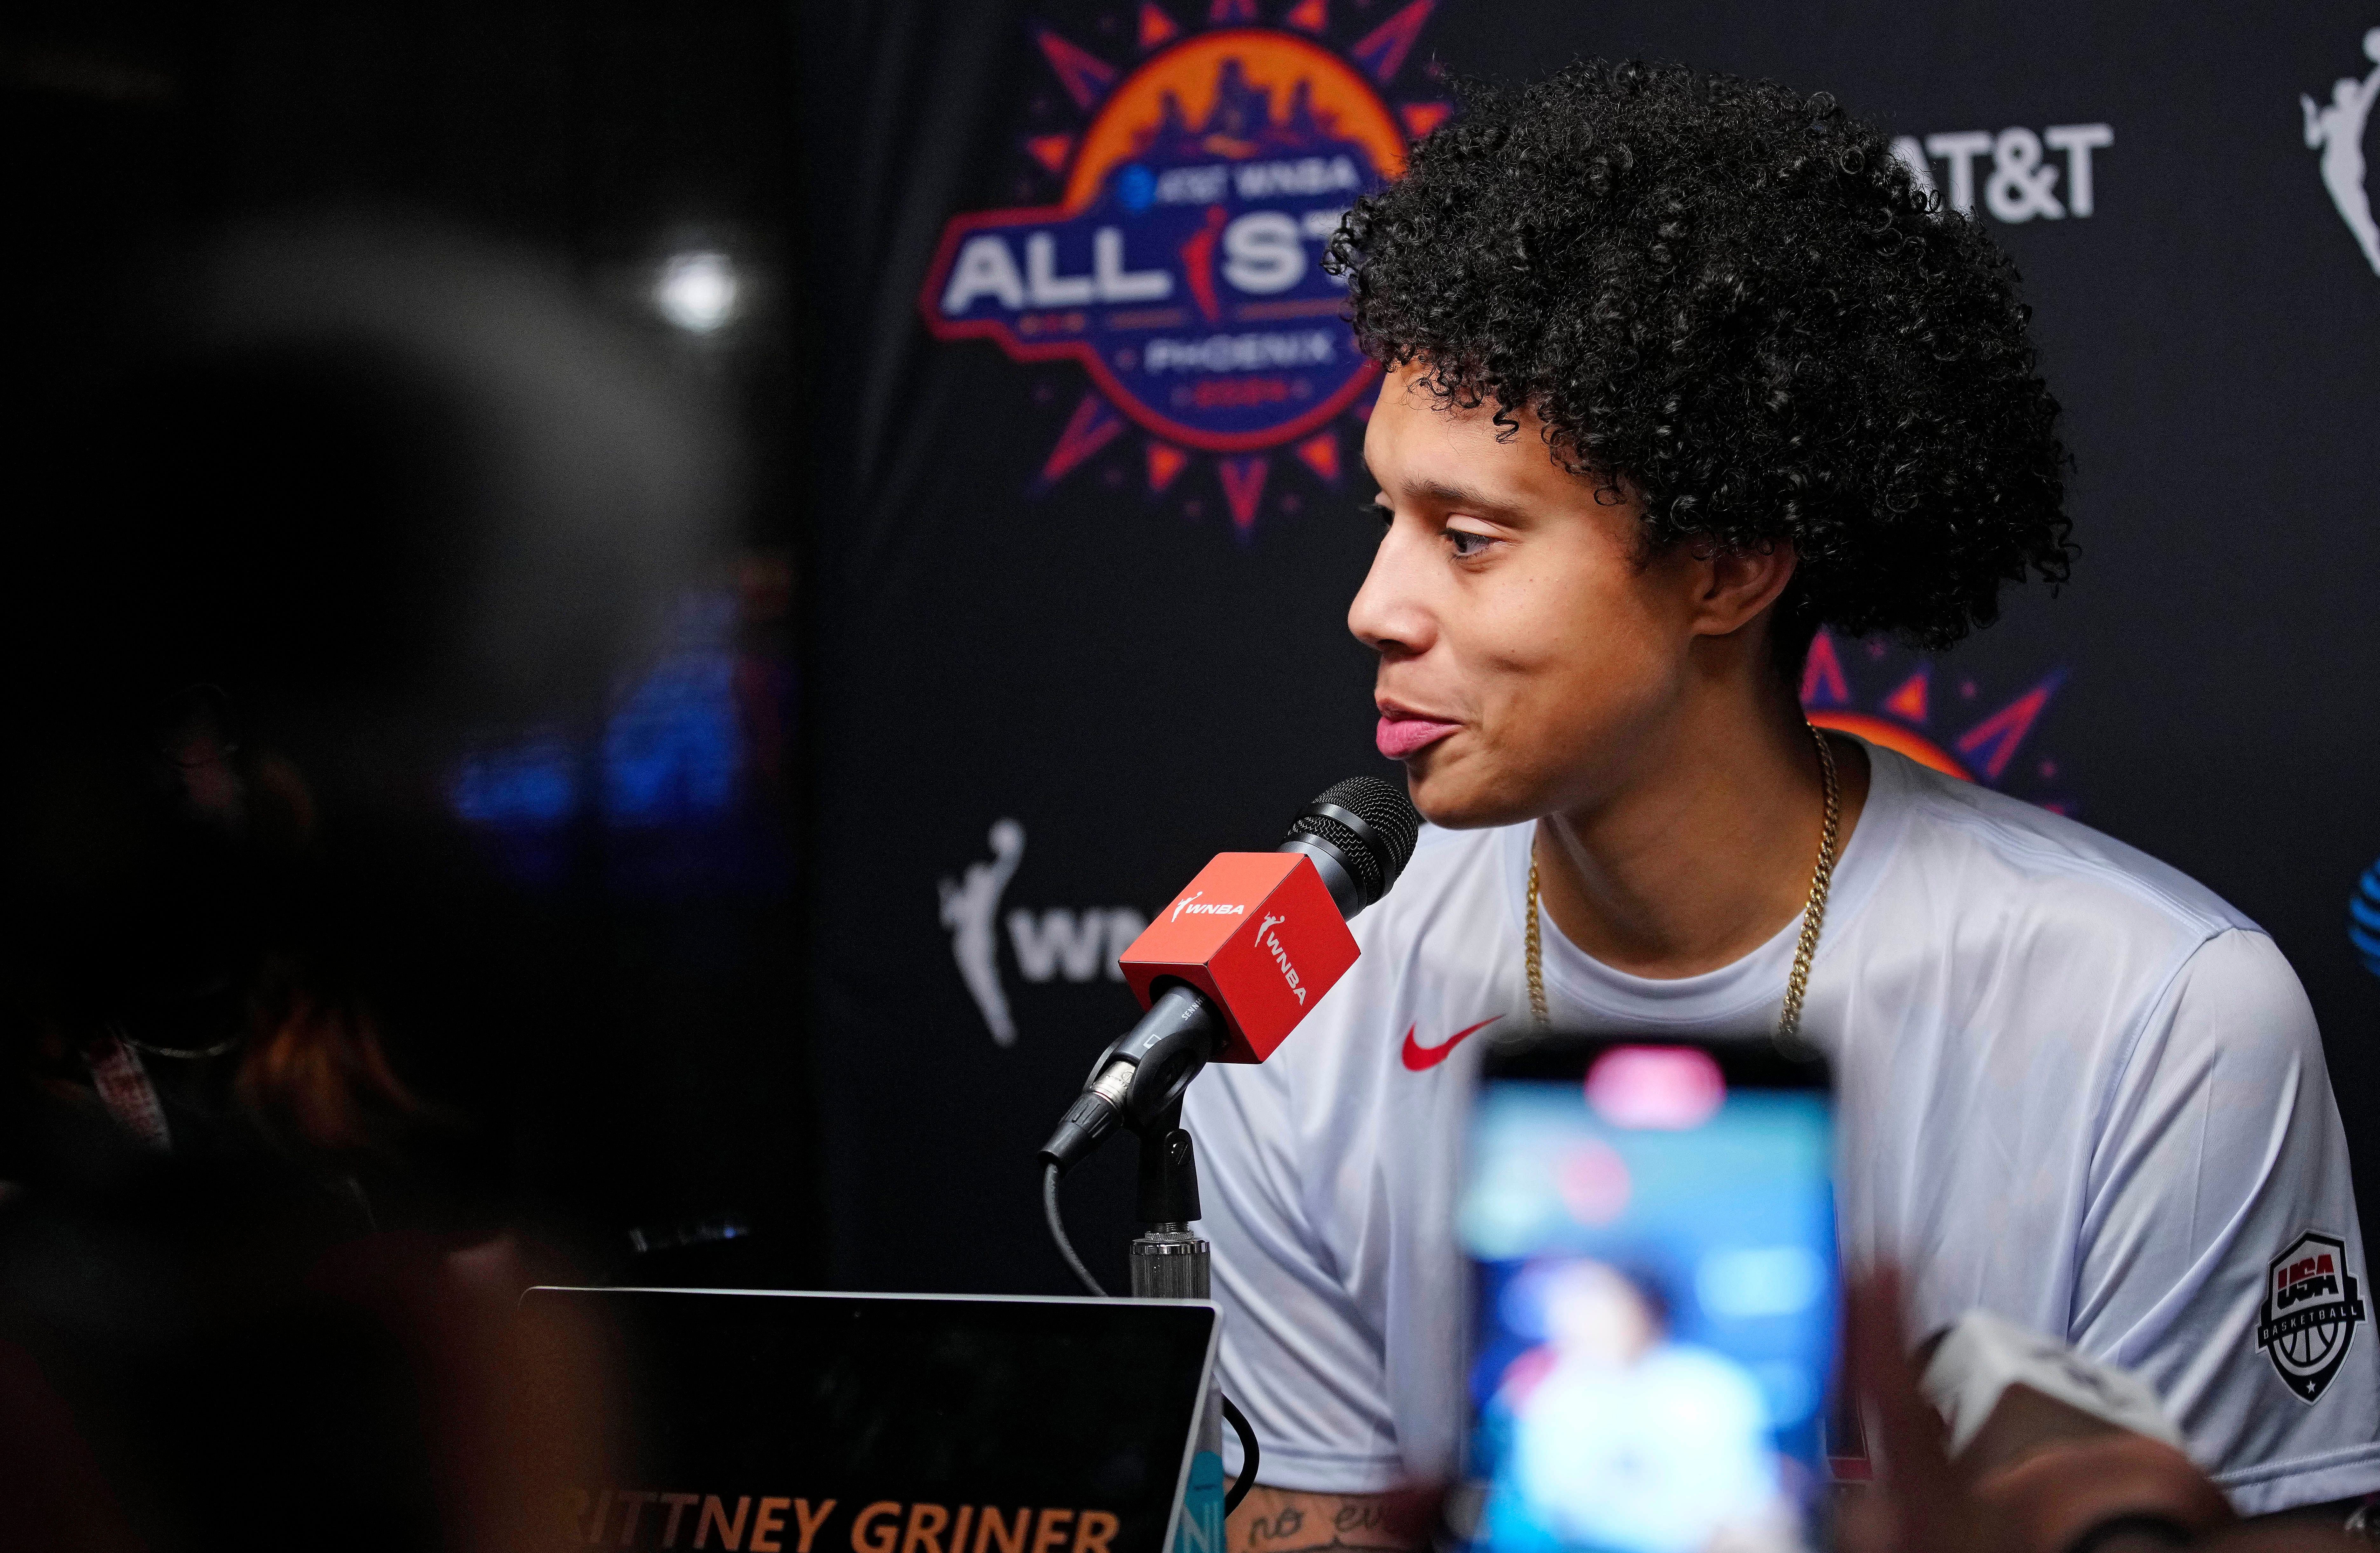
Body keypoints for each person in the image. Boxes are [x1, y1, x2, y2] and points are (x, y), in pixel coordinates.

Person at [1181, 60, 2380, 1552]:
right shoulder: (1298, 1004)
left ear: (1732, 569)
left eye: (1473, 539)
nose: (1376, 608)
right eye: (1386, 517)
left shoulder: (2163, 1017)